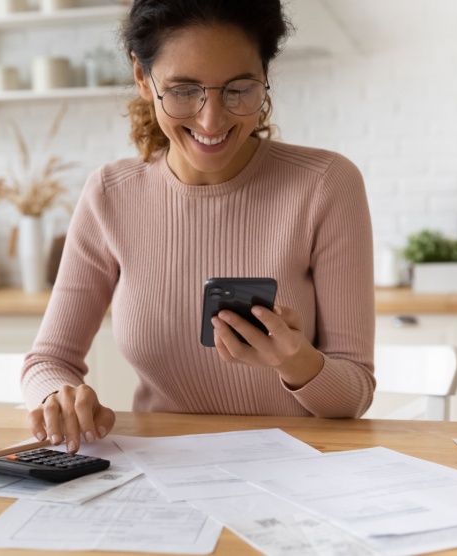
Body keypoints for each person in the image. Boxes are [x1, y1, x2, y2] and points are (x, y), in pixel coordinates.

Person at [21, 0, 375, 453]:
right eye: (184, 89)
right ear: (142, 79)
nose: (211, 120)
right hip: (163, 468)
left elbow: (354, 394)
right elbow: (47, 361)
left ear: (265, 76)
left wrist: (297, 361)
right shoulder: (110, 194)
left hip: (298, 467)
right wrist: (58, 396)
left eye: (239, 89)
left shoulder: (325, 184)